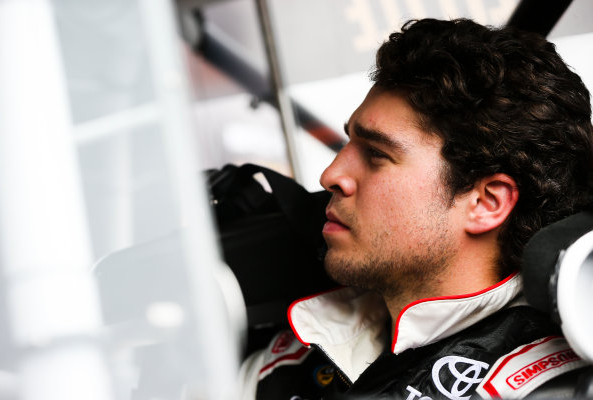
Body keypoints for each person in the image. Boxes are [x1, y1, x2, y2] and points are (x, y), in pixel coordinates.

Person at [238, 18, 593, 400]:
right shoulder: (296, 351)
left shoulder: (549, 388)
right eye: (348, 143)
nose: (331, 175)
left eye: (376, 154)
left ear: (486, 203)